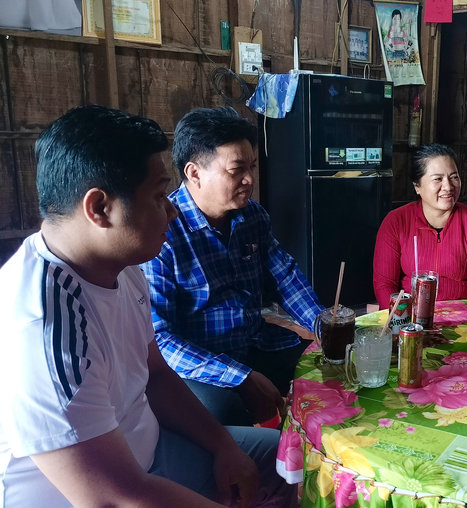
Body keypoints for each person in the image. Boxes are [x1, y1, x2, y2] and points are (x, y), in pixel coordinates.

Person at [0, 105, 294, 507]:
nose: (172, 210)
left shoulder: (122, 266)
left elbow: (154, 373)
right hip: (97, 495)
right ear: (99, 208)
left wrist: (223, 446)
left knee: (291, 463)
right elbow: (114, 499)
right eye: (158, 196)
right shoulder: (44, 328)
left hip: (150, 454)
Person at [141, 106, 324, 427]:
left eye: (251, 167)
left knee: (324, 370)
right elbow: (161, 340)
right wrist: (239, 377)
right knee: (222, 410)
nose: (250, 179)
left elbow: (285, 276)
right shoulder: (163, 233)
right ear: (194, 173)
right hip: (200, 362)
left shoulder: (252, 216)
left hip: (255, 343)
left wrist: (322, 324)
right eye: (237, 169)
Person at [373, 143, 467, 309]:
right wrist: (401, 317)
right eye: (438, 179)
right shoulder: (396, 222)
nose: (448, 187)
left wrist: (466, 317)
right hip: (410, 316)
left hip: (464, 316)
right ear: (417, 186)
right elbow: (384, 284)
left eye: (454, 177)